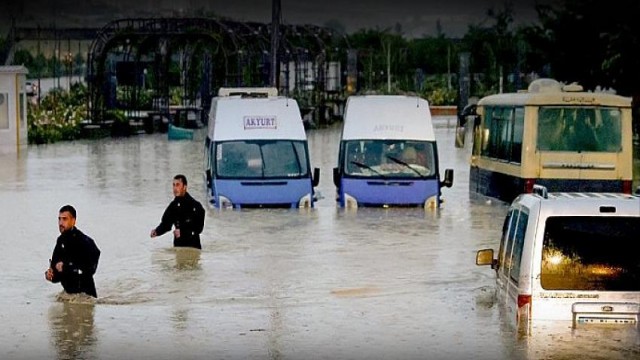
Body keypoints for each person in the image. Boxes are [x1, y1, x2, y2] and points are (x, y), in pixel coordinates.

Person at [45, 205, 101, 298]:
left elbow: (90, 269)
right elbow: (57, 272)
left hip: (86, 298)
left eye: (64, 219)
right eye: (59, 219)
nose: (61, 223)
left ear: (73, 221)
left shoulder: (85, 241)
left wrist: (66, 266)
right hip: (68, 295)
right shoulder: (60, 241)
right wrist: (50, 275)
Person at [150, 174, 205, 249]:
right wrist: (157, 231)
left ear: (185, 187)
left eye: (178, 185)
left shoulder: (196, 206)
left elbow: (199, 229)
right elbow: (166, 224)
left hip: (193, 248)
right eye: (174, 185)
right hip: (178, 248)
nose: (175, 188)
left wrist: (182, 232)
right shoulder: (173, 206)